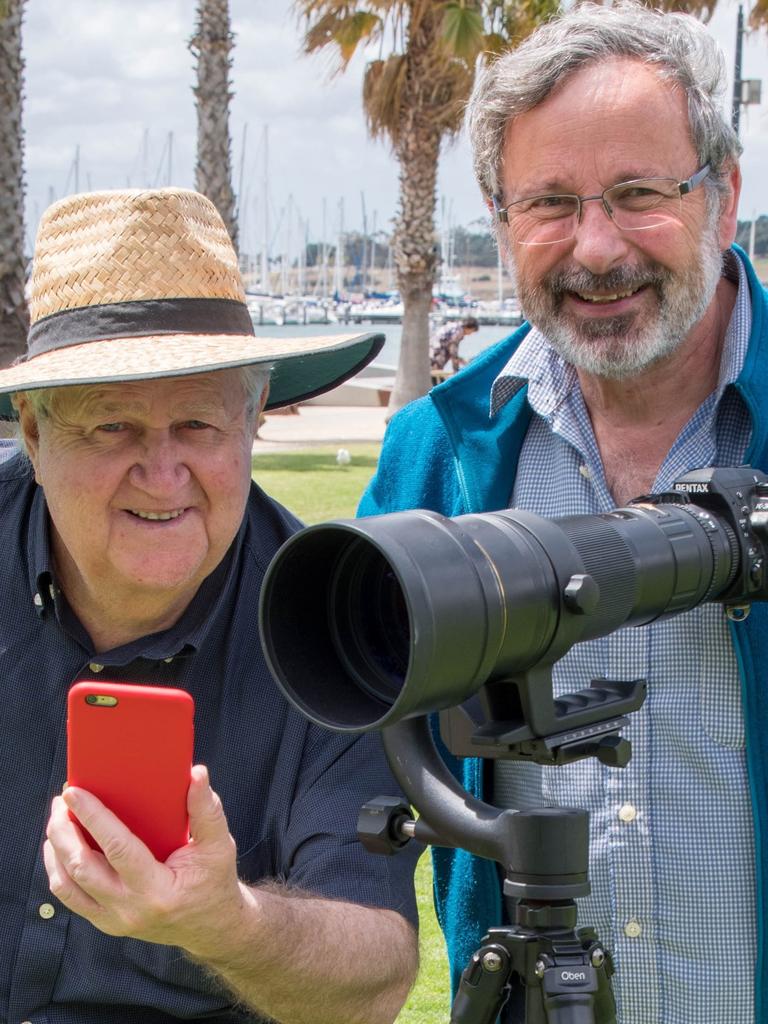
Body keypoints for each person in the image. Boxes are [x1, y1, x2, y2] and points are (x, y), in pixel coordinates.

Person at [359, 4, 768, 1022]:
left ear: (725, 193)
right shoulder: (441, 447)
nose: (594, 248)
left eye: (638, 194)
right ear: (500, 221)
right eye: (549, 203)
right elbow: (343, 740)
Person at [0, 187, 419, 1024]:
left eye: (197, 425)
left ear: (254, 416)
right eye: (111, 426)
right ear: (34, 435)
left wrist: (230, 924)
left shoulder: (333, 634)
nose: (162, 475)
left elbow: (377, 979)